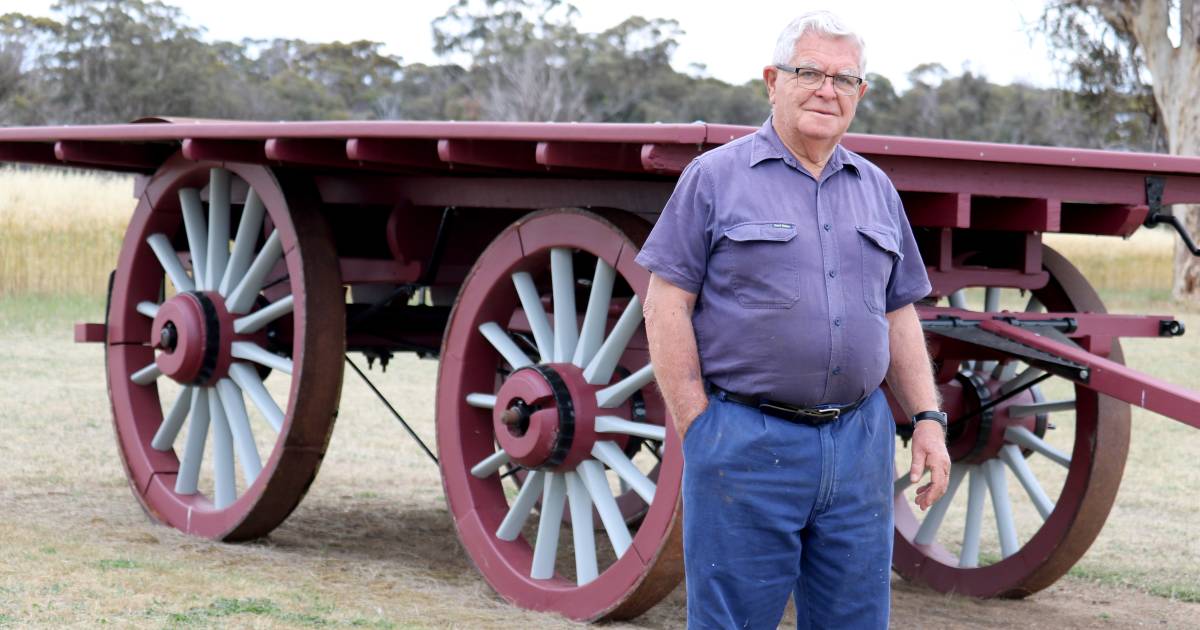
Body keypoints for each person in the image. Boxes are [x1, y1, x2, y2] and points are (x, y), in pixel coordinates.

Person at [635, 10, 952, 629]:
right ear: (771, 81)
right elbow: (665, 303)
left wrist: (928, 420)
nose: (826, 90)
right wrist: (700, 427)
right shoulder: (714, 179)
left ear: (861, 94)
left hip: (859, 448)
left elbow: (898, 313)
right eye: (809, 72)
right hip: (746, 443)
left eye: (844, 79)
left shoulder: (877, 190)